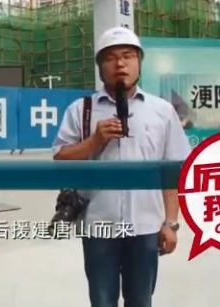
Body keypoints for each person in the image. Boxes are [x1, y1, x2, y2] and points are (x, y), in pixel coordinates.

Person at [51, 27, 191, 307]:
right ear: (100, 67)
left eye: (128, 56)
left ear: (139, 63)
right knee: (102, 301)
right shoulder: (81, 109)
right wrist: (94, 141)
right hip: (98, 227)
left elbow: (172, 171)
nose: (120, 64)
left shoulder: (162, 111)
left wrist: (171, 223)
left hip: (145, 227)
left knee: (141, 300)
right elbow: (60, 158)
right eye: (111, 58)